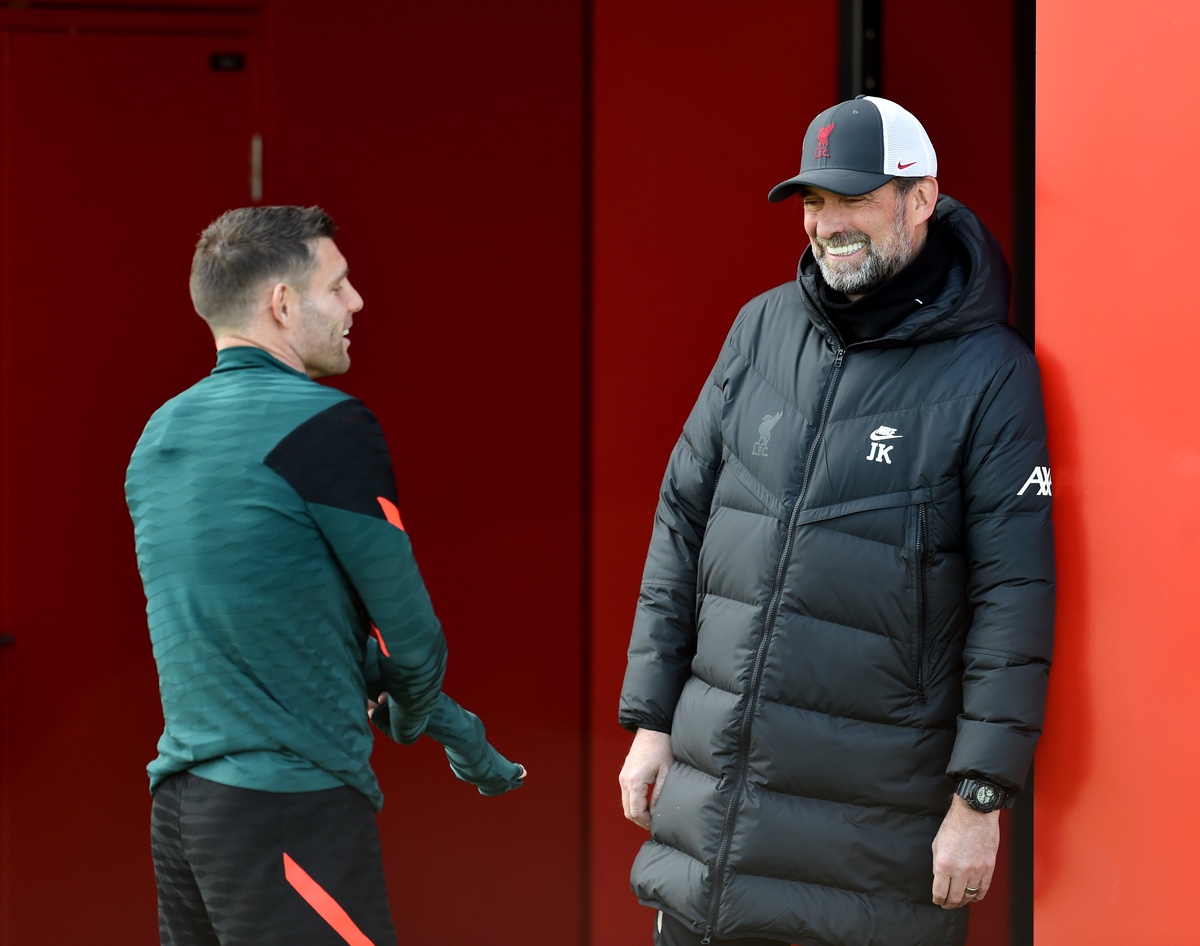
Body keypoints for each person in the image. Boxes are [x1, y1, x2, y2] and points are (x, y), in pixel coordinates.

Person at [617, 96, 1054, 946]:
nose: (827, 224)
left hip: (865, 848)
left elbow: (1015, 596)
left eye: (853, 198)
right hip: (709, 831)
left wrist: (980, 798)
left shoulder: (992, 374)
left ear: (922, 198)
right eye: (814, 201)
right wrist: (652, 720)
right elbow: (680, 527)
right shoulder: (759, 329)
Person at [126, 205, 525, 946]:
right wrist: (415, 713)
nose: (357, 302)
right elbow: (412, 639)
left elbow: (263, 623)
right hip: (288, 810)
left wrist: (450, 726)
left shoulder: (157, 438)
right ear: (282, 303)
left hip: (183, 816)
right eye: (338, 285)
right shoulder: (326, 425)